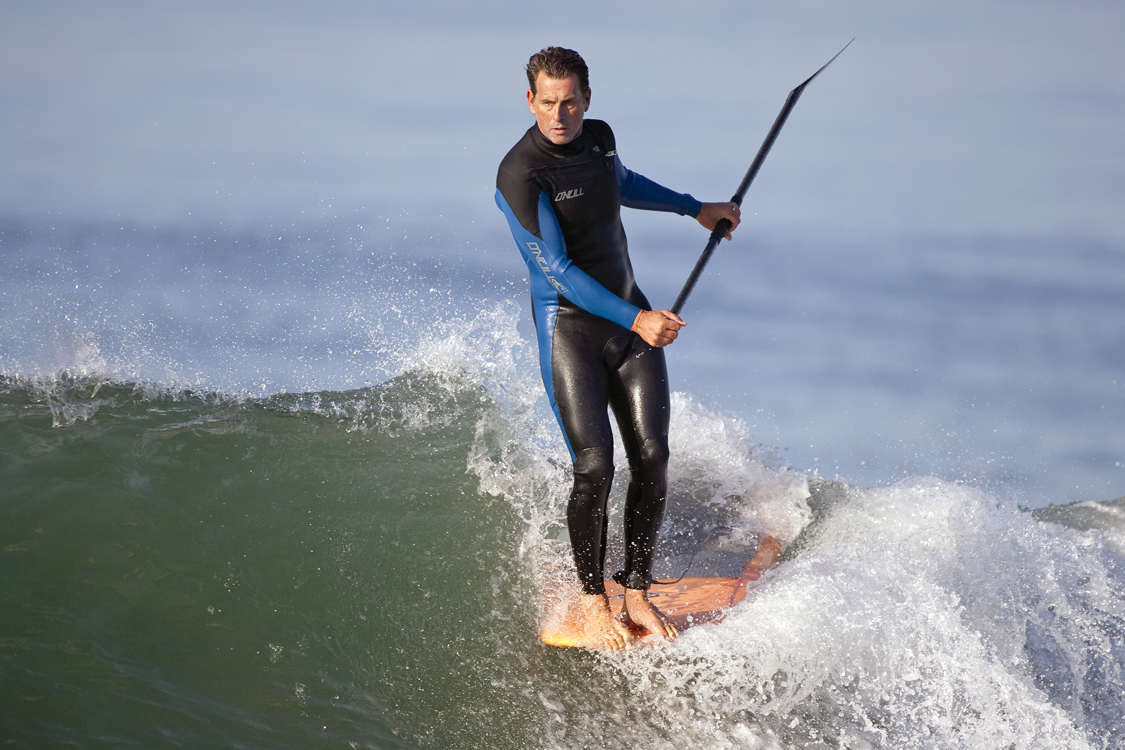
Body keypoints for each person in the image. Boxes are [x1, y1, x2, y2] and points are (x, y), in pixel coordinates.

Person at [495, 47, 740, 649]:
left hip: (630, 318)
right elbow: (555, 269)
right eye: (548, 103)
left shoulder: (599, 139)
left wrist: (694, 209)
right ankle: (589, 599)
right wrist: (637, 319)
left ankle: (635, 588)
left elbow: (621, 183)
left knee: (653, 455)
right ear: (531, 101)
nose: (560, 115)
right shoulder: (520, 175)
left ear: (587, 99)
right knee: (596, 466)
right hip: (570, 328)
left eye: (571, 101)